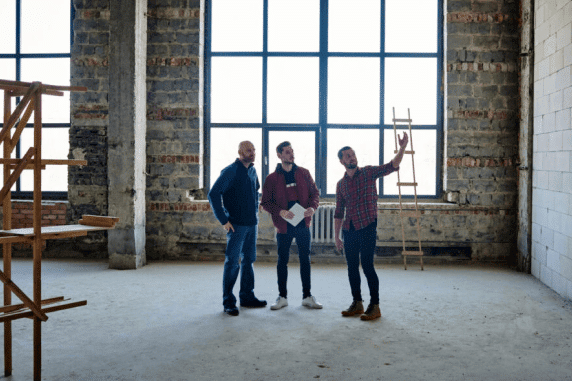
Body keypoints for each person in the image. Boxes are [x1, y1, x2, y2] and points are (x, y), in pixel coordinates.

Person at [334, 132, 409, 321]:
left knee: (367, 265)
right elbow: (338, 211)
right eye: (348, 156)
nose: (353, 157)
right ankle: (357, 303)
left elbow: (392, 166)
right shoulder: (341, 184)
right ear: (342, 161)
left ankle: (374, 305)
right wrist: (336, 236)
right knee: (352, 267)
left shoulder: (367, 172)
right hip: (349, 229)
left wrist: (402, 148)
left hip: (367, 226)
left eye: (353, 154)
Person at [208, 141, 267, 316]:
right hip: (236, 225)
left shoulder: (253, 170)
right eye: (249, 150)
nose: (253, 153)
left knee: (249, 260)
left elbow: (255, 190)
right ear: (240, 152)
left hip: (251, 224)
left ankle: (247, 297)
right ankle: (228, 302)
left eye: (254, 150)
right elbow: (213, 194)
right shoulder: (230, 171)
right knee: (232, 263)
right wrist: (223, 220)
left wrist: (258, 205)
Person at [261, 142, 322, 310]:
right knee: (282, 261)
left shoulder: (304, 173)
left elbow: (315, 194)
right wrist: (280, 212)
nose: (291, 155)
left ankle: (307, 296)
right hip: (283, 225)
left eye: (292, 152)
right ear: (280, 155)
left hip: (303, 223)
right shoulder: (271, 178)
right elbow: (265, 202)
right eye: (287, 152)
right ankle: (282, 297)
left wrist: (312, 207)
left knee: (305, 260)